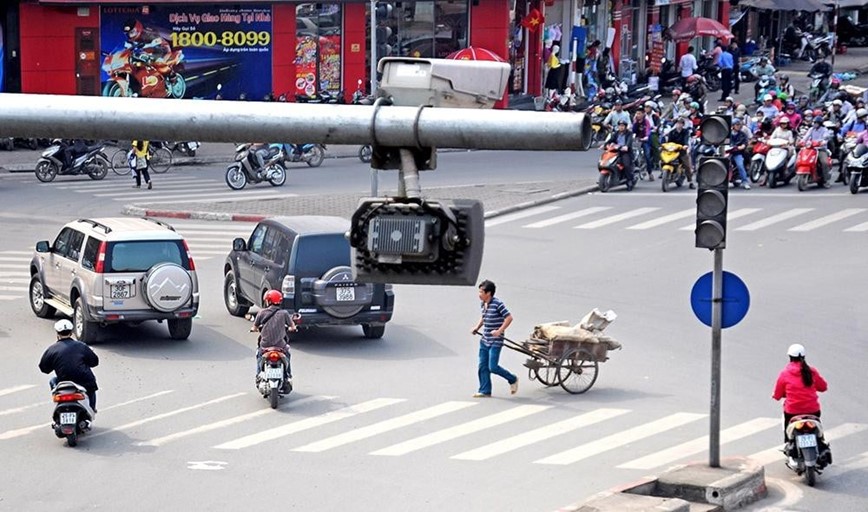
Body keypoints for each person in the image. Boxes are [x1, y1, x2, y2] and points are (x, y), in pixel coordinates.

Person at [772, 343, 830, 467]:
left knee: (788, 431)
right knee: (818, 432)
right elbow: (823, 387)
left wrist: (777, 396)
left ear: (790, 357)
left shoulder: (785, 374)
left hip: (792, 412)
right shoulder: (811, 372)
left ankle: (789, 444)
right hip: (813, 411)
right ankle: (822, 447)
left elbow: (777, 394)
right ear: (804, 357)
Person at [38, 320, 99, 412]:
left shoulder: (52, 349)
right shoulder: (82, 346)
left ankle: (58, 399)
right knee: (91, 388)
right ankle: (91, 408)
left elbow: (44, 369)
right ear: (71, 332)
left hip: (64, 382)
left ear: (57, 333)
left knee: (53, 380)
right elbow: (94, 362)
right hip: (84, 381)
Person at [470, 280, 518, 398]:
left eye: (481, 292)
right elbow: (484, 317)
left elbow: (509, 318)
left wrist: (499, 331)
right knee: (482, 365)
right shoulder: (483, 304)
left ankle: (512, 379)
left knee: (493, 367)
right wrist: (477, 327)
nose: (479, 294)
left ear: (489, 293)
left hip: (496, 341)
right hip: (485, 339)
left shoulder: (498, 304)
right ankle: (485, 390)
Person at [250, 289, 299, 388]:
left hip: (265, 346)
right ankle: (288, 375)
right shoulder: (284, 313)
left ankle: (258, 374)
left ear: (267, 301)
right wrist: (292, 328)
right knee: (288, 354)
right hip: (280, 345)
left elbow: (254, 327)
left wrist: (253, 329)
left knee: (259, 354)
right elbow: (292, 326)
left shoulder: (261, 313)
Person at [662, 117, 694, 188]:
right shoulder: (672, 132)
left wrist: (685, 145)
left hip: (682, 150)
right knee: (663, 159)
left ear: (683, 125)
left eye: (680, 123)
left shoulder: (685, 132)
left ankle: (690, 182)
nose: (679, 125)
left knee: (687, 165)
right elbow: (668, 142)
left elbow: (686, 139)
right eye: (677, 123)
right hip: (672, 151)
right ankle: (665, 173)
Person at [800, 116, 833, 186]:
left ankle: (826, 180)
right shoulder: (811, 129)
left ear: (820, 123)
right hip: (811, 148)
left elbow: (826, 137)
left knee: (824, 163)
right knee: (801, 158)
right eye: (814, 122)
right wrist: (802, 141)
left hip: (821, 149)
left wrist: (823, 142)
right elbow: (806, 137)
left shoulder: (824, 130)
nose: (814, 124)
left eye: (816, 123)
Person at [729, 118, 751, 189]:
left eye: (739, 125)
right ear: (733, 126)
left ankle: (745, 181)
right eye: (737, 125)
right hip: (727, 152)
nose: (738, 126)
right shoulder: (728, 133)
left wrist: (741, 146)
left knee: (740, 165)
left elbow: (744, 143)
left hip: (737, 153)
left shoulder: (742, 134)